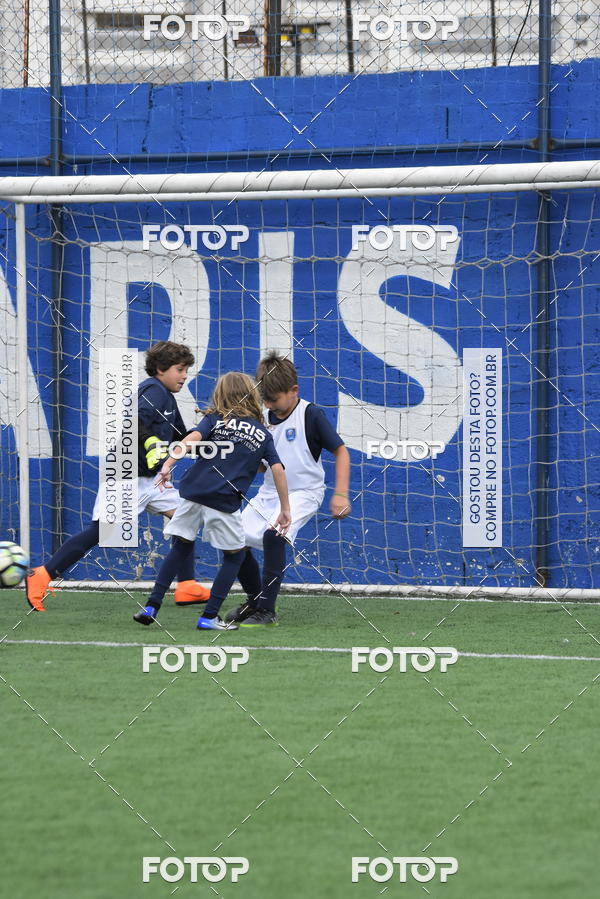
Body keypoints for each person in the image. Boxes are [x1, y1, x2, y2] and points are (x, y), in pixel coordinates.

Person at [26, 341, 210, 611]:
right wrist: (149, 445)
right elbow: (133, 421)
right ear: (160, 369)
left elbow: (181, 439)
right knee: (102, 531)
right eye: (180, 369)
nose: (184, 375)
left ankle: (186, 586)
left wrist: (211, 431)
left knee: (187, 518)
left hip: (152, 480)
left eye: (186, 370)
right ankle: (43, 574)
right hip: (128, 476)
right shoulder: (153, 390)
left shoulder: (167, 398)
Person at [133, 371, 291, 630]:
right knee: (234, 556)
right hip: (223, 499)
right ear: (253, 396)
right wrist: (285, 509)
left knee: (180, 546)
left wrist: (168, 464)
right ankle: (209, 616)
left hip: (193, 493)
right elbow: (277, 469)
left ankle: (151, 605)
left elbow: (189, 441)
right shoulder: (263, 434)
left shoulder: (214, 420)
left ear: (221, 395)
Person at [224, 351, 351, 627]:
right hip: (271, 494)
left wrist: (340, 493)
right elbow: (262, 464)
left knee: (274, 535)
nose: (269, 404)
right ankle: (255, 600)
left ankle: (267, 611)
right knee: (232, 537)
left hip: (304, 493)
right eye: (265, 400)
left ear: (293, 390)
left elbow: (341, 451)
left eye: (274, 399)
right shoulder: (263, 418)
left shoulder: (310, 414)